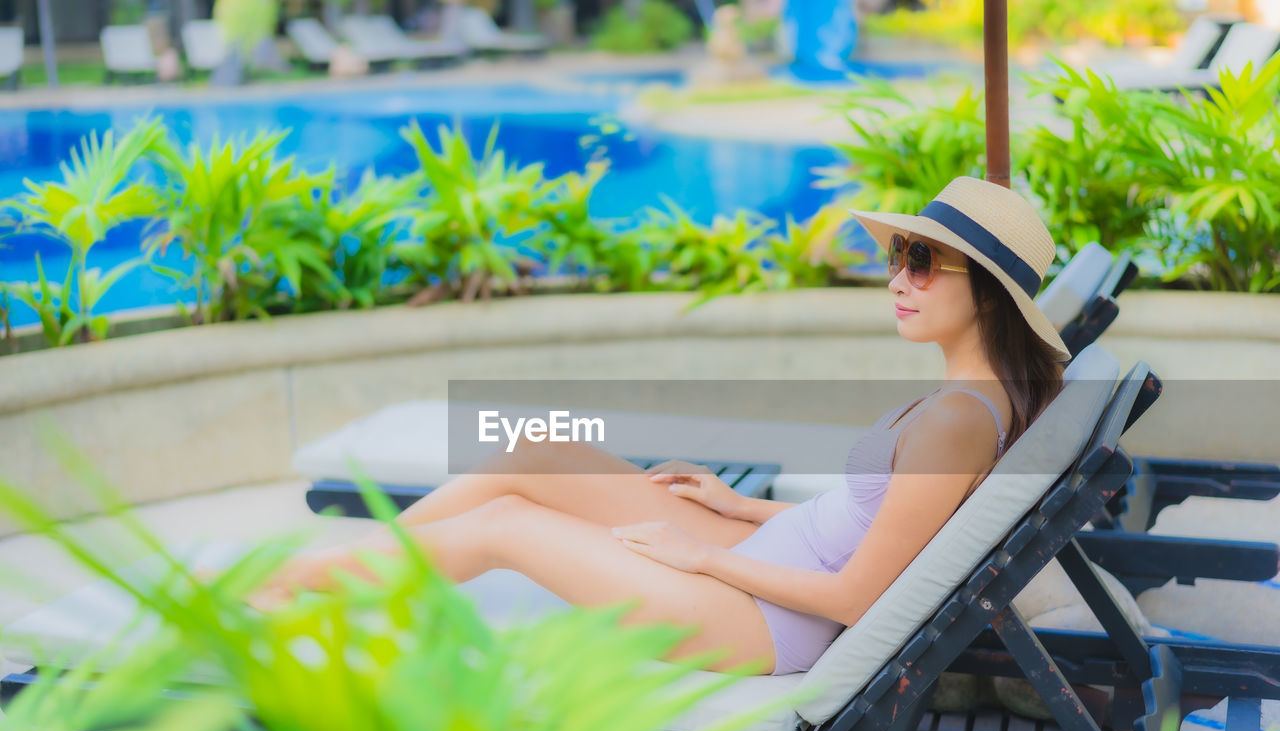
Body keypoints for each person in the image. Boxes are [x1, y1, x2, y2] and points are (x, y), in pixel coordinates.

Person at [254, 176, 1070, 677]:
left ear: (989, 294)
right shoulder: (968, 399)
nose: (897, 278)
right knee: (532, 452)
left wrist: (704, 554)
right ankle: (353, 570)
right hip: (762, 559)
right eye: (897, 256)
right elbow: (875, 529)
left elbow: (860, 595)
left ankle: (293, 597)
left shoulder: (958, 421)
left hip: (766, 621)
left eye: (921, 263)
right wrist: (740, 508)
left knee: (506, 524)